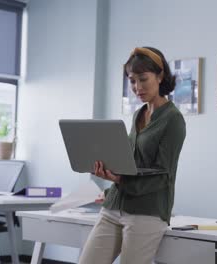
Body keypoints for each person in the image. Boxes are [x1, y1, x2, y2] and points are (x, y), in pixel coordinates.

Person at [78, 47, 186, 264]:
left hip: (147, 212)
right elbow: (131, 162)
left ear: (160, 76)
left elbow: (162, 176)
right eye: (132, 80)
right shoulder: (139, 114)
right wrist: (109, 170)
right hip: (115, 206)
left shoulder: (173, 120)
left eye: (143, 79)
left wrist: (120, 179)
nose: (137, 87)